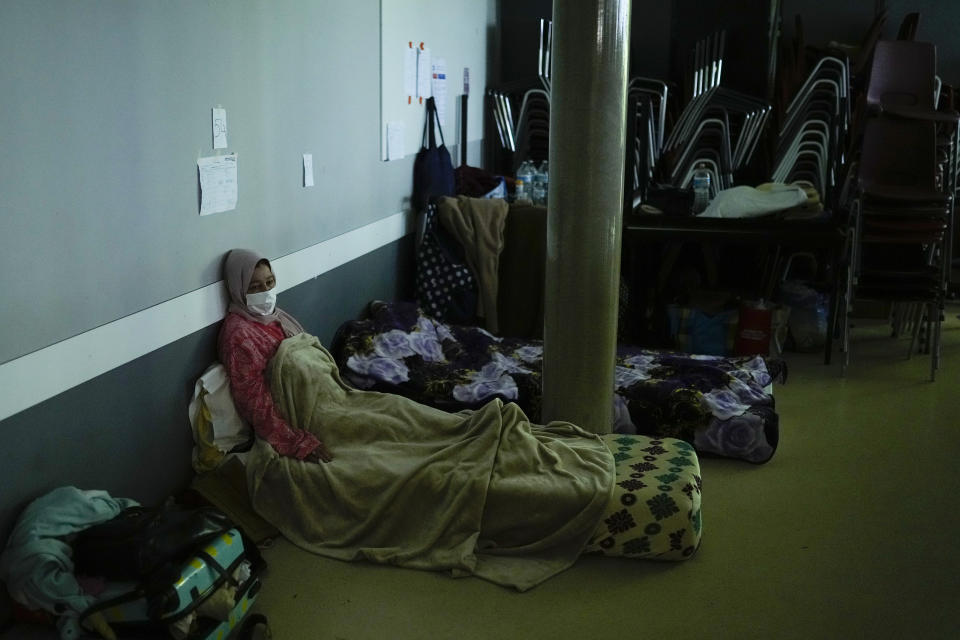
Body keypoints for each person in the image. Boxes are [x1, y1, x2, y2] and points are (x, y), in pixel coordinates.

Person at [218, 249, 333, 463]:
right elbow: (255, 402)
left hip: (326, 396)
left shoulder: (276, 317)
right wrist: (298, 443)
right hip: (298, 415)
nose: (266, 291)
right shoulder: (239, 335)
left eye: (270, 282)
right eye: (254, 287)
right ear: (238, 289)